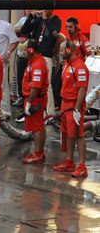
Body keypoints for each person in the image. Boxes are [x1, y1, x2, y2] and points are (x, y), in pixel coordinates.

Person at [53, 40, 89, 178]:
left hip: (74, 106)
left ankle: (82, 166)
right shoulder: (67, 65)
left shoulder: (80, 67)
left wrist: (77, 110)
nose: (60, 53)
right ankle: (69, 161)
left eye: (62, 51)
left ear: (69, 51)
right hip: (65, 104)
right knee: (67, 133)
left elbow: (82, 89)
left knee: (78, 135)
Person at [21, 4, 62, 115]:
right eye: (43, 8)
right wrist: (30, 17)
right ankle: (38, 109)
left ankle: (50, 113)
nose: (44, 10)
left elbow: (53, 34)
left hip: (46, 55)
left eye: (47, 8)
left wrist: (45, 19)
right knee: (34, 84)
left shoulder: (56, 20)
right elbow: (23, 30)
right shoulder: (38, 20)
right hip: (35, 55)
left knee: (47, 85)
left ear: (52, 9)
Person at [21, 39, 49, 163]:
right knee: (39, 126)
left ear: (31, 50)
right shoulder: (34, 61)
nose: (23, 52)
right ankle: (39, 152)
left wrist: (28, 103)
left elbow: (36, 87)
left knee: (37, 127)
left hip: (35, 100)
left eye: (24, 49)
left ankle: (38, 154)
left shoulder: (37, 64)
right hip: (34, 99)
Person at [12, 12, 30, 107]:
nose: (29, 11)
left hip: (31, 55)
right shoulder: (23, 20)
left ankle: (29, 98)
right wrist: (24, 30)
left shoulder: (38, 20)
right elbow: (14, 29)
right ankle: (21, 96)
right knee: (20, 76)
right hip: (20, 53)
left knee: (30, 77)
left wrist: (22, 31)